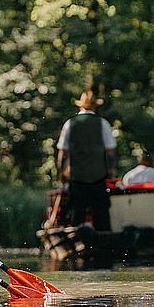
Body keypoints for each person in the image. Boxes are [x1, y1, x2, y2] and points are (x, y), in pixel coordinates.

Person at [55, 90, 116, 230]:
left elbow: (63, 152)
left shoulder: (70, 123)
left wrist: (62, 172)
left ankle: (77, 241)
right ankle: (104, 242)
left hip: (77, 176)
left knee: (77, 212)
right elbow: (110, 151)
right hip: (98, 176)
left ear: (80, 106)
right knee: (101, 213)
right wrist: (110, 170)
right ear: (95, 107)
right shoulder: (103, 124)